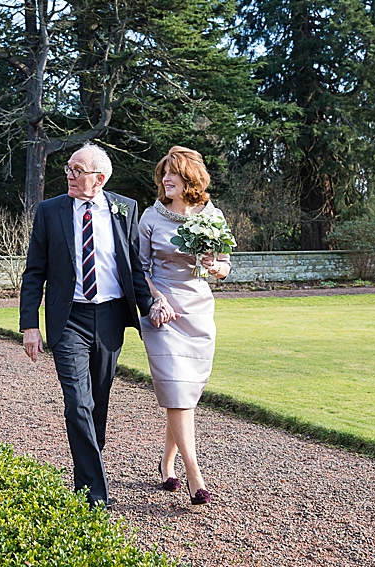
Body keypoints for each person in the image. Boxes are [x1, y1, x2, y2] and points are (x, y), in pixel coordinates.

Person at [20, 142, 153, 508]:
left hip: (111, 317)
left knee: (98, 405)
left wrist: (151, 307)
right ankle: (95, 496)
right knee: (77, 403)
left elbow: (135, 269)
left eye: (78, 170)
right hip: (69, 319)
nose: (69, 175)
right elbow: (34, 272)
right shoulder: (50, 211)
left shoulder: (125, 209)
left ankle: (85, 478)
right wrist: (30, 324)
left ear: (101, 178)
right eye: (68, 168)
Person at [138, 146, 231, 506]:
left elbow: (224, 266)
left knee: (187, 392)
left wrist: (213, 265)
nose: (166, 179)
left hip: (198, 310)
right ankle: (195, 473)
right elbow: (140, 269)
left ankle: (167, 462)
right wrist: (155, 299)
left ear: (190, 177)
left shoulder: (212, 215)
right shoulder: (150, 217)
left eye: (173, 173)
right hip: (162, 312)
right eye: (163, 173)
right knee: (176, 387)